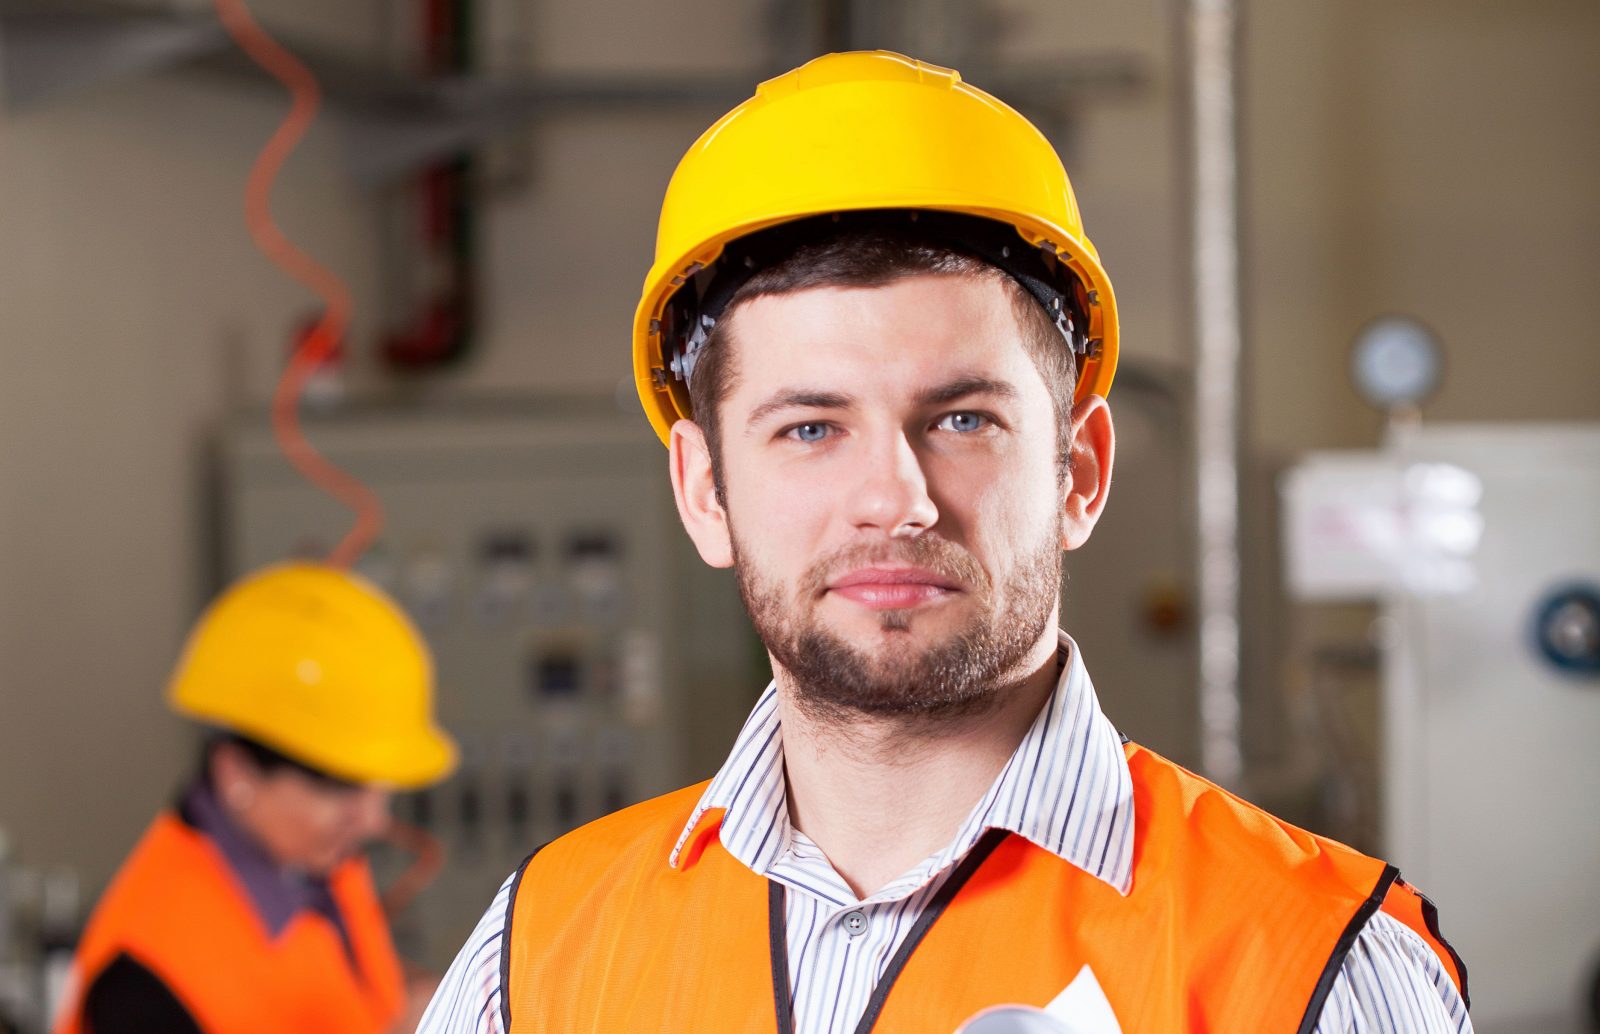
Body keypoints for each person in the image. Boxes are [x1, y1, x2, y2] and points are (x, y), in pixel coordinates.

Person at [418, 50, 1471, 1033]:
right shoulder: (537, 959)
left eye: (963, 419)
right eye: (811, 428)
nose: (894, 498)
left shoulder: (1309, 968)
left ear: (1079, 470)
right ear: (703, 491)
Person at [54, 562, 457, 1034]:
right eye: (342, 787)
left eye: (379, 786)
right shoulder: (143, 984)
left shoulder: (320, 861)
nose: (373, 820)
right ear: (237, 774)